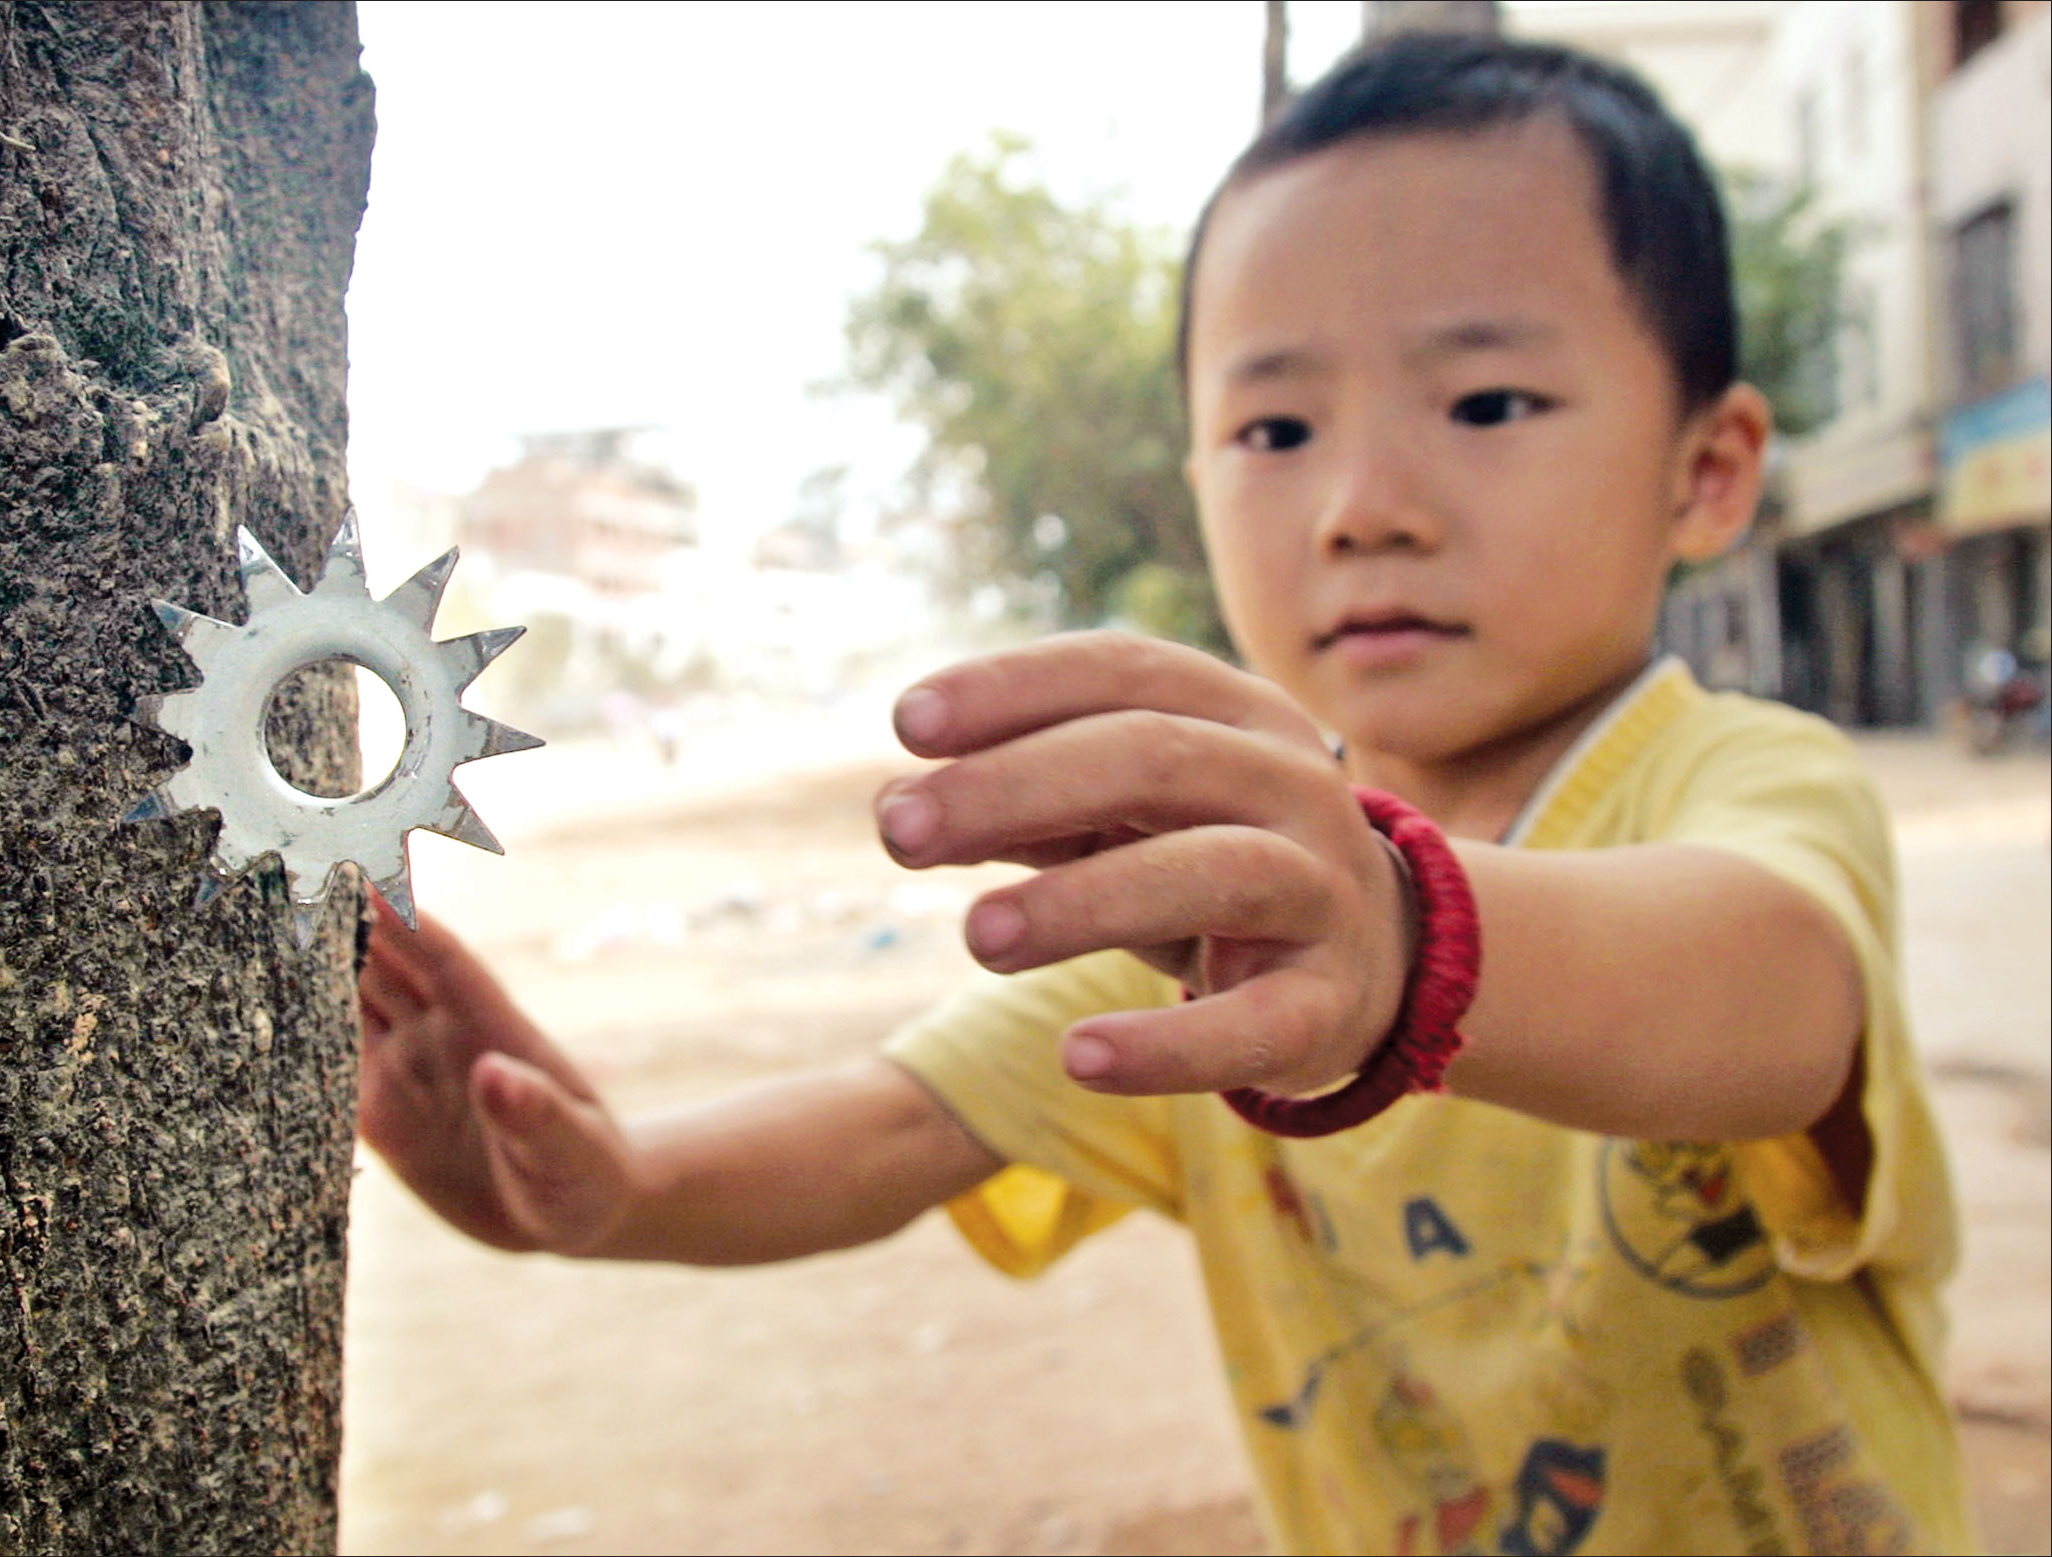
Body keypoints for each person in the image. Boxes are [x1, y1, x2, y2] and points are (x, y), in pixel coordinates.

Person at [357, 33, 1968, 1555]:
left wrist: (1408, 937)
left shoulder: (1731, 779)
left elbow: (1774, 996)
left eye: (1484, 403)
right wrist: (612, 1184)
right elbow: (905, 1116)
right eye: (1273, 426)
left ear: (1707, 468)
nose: (1361, 506)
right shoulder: (1233, 907)